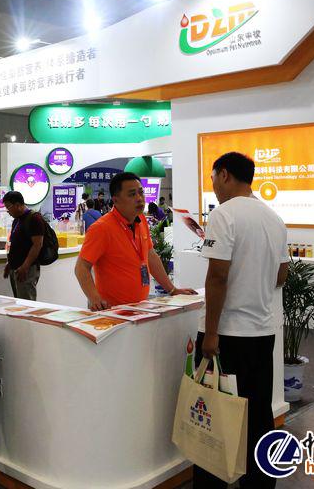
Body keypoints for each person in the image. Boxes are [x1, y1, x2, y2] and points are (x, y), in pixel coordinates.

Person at [195, 152, 289, 489]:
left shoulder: (223, 214)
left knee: (215, 414)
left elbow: (217, 276)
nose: (213, 186)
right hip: (262, 333)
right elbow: (281, 275)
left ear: (224, 175)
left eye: (212, 178)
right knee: (259, 414)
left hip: (228, 336)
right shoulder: (273, 218)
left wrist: (211, 333)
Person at [75, 172, 193, 310]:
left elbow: (151, 255)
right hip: (112, 311)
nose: (139, 198)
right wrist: (94, 298)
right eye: (132, 194)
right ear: (116, 200)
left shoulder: (141, 220)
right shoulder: (101, 228)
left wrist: (172, 290)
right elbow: (81, 267)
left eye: (141, 192)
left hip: (139, 308)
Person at [1, 191, 44, 301]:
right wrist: (10, 263)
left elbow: (37, 244)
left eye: (8, 207)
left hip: (26, 269)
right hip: (16, 268)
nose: (7, 211)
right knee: (19, 302)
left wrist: (25, 266)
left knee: (27, 303)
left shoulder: (34, 218)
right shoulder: (17, 220)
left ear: (17, 205)